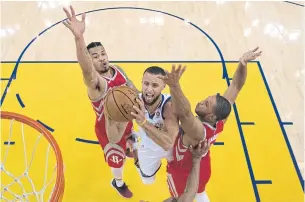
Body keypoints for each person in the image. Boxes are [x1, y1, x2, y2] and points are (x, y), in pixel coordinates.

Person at [158, 47, 262, 201]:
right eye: (205, 99)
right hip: (202, 170)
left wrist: (175, 86)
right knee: (200, 194)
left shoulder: (198, 132)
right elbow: (235, 86)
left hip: (183, 177)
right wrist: (243, 63)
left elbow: (184, 112)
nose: (200, 102)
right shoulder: (220, 121)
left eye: (205, 104)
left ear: (211, 116)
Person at [62, 6, 139, 198]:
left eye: (103, 54)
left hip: (127, 120)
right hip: (108, 129)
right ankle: (118, 182)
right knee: (117, 162)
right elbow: (86, 70)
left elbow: (133, 90)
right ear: (89, 60)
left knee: (136, 144)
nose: (102, 59)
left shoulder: (117, 69)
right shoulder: (96, 83)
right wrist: (79, 38)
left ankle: (132, 149)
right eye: (95, 57)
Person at [130, 66, 179, 184]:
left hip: (172, 145)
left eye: (155, 85)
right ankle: (136, 147)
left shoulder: (169, 105)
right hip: (148, 145)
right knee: (147, 181)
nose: (149, 90)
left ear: (163, 86)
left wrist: (143, 122)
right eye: (146, 83)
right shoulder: (134, 100)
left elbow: (168, 143)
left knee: (179, 179)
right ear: (141, 82)